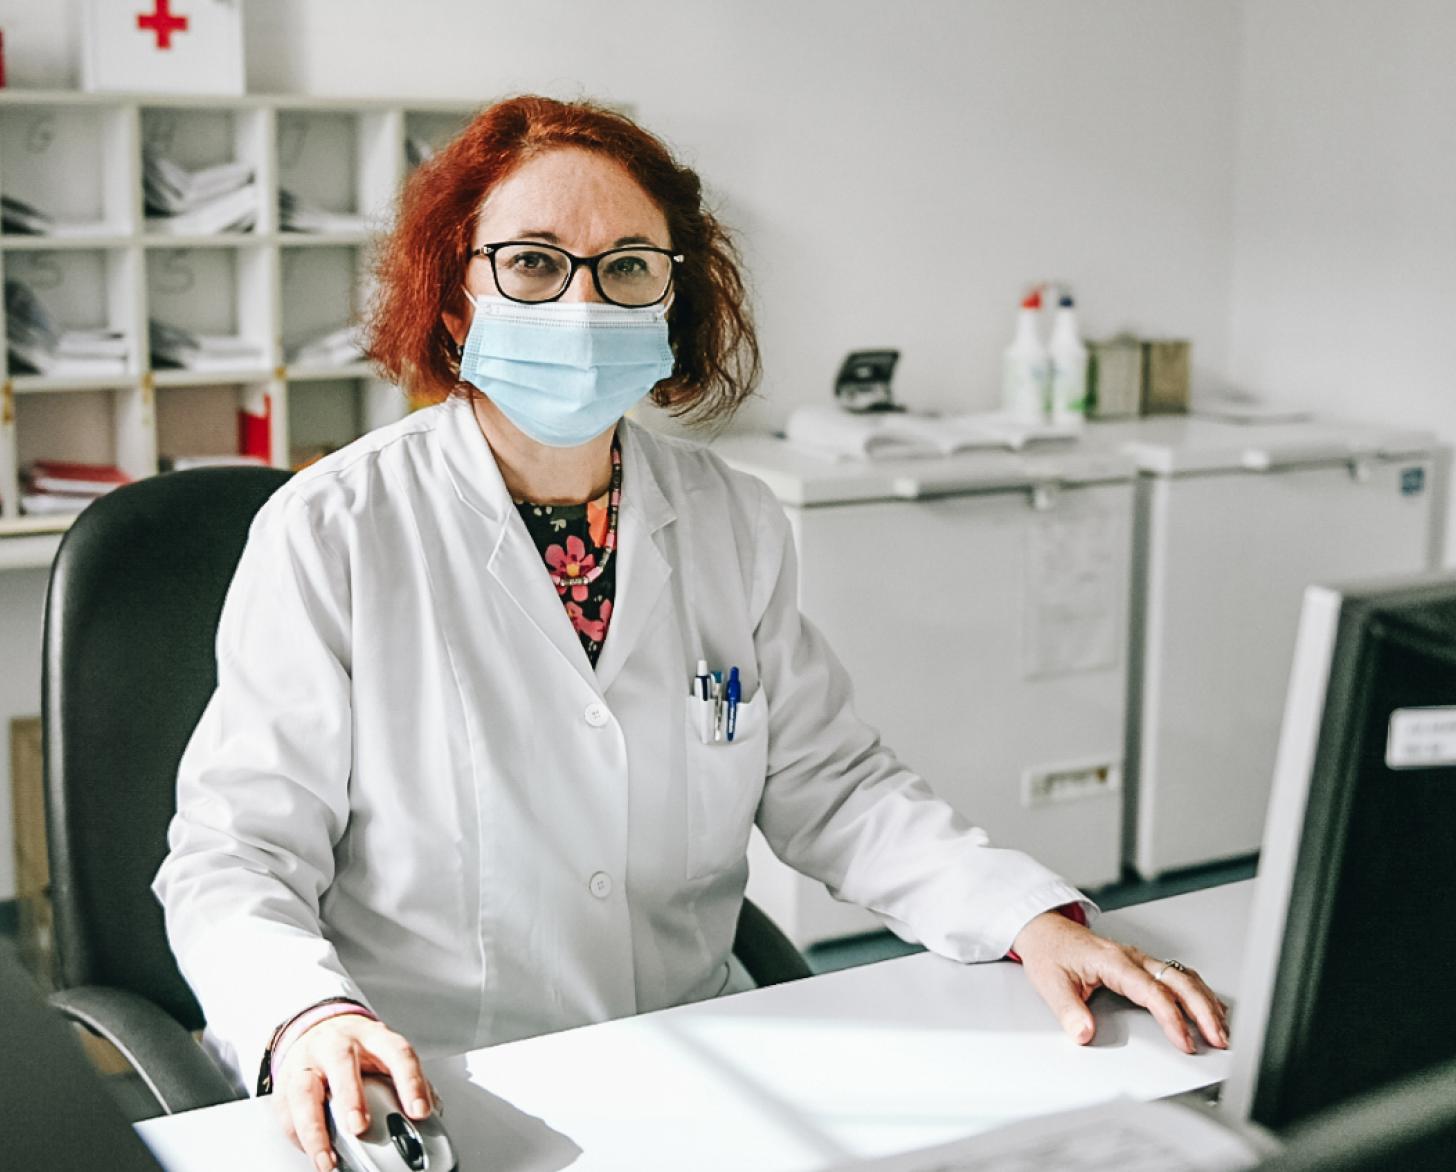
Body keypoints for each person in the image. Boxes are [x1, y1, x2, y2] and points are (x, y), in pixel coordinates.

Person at [153, 96, 1227, 1172]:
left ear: (672, 300)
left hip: (688, 1060)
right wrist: (305, 1016)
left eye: (626, 266)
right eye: (531, 263)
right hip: (429, 1089)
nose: (580, 302)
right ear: (453, 302)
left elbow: (834, 786)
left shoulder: (730, 518)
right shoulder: (336, 527)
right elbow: (234, 851)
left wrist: (1025, 914)